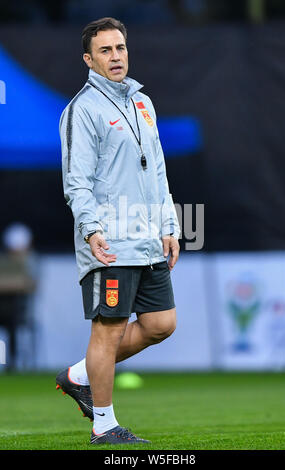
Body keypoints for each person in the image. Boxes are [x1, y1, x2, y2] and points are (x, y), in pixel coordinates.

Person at [57, 17, 180, 445]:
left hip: (147, 238)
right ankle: (104, 426)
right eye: (105, 51)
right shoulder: (81, 110)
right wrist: (91, 230)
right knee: (107, 330)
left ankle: (78, 374)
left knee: (162, 323)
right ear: (89, 60)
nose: (116, 57)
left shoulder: (143, 103)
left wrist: (169, 225)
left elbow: (158, 169)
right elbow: (77, 181)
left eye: (120, 48)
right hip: (109, 241)